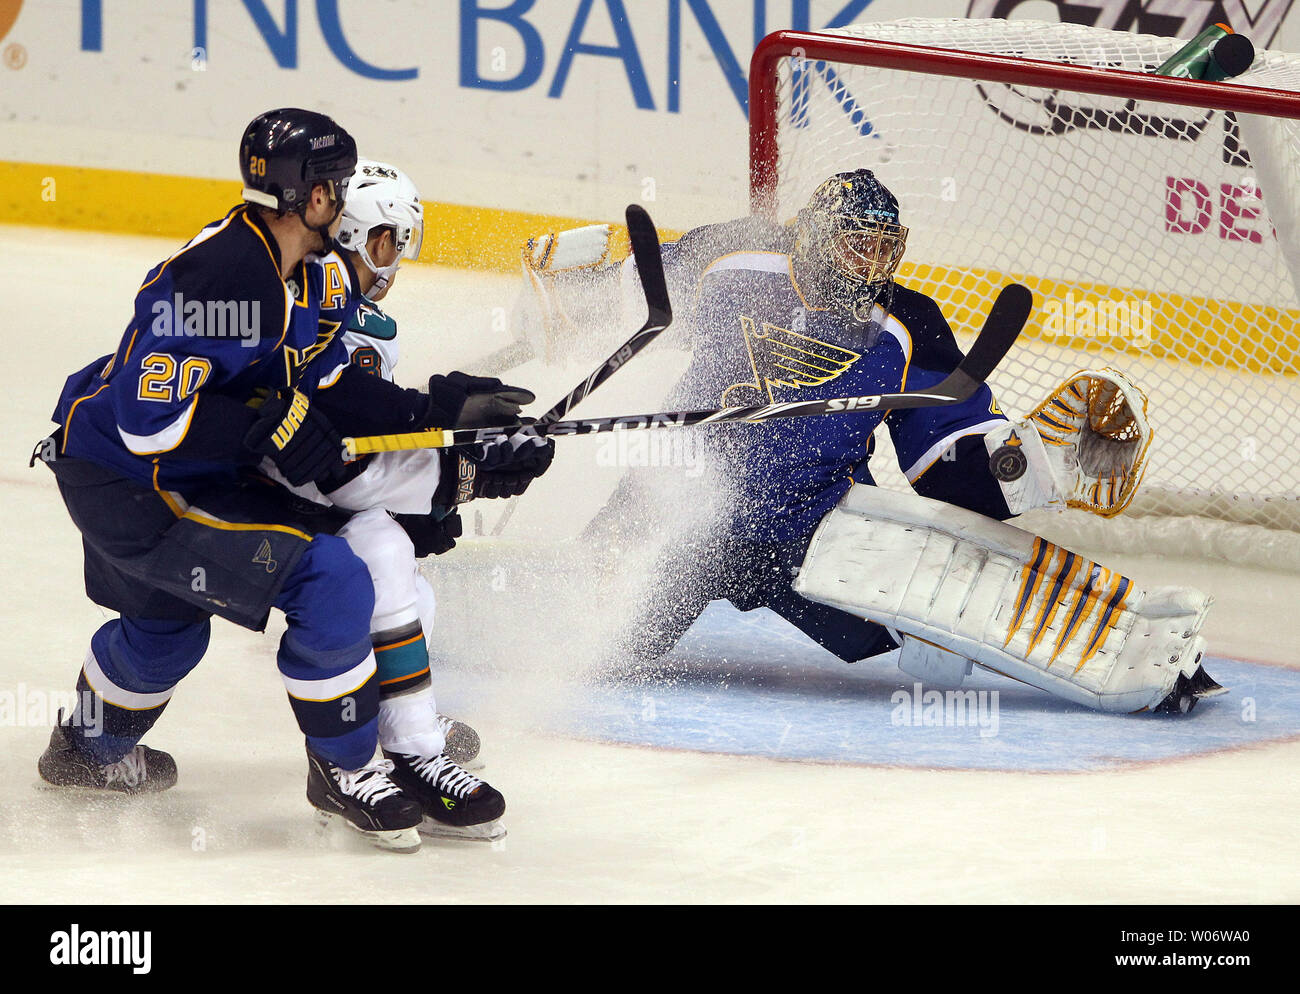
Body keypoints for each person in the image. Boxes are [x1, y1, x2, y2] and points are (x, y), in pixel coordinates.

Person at [33, 109, 542, 853]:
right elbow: (149, 423)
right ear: (310, 196)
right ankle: (343, 766)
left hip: (169, 472)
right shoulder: (219, 278)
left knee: (167, 632)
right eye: (335, 185)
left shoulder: (312, 276)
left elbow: (333, 387)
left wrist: (438, 414)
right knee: (331, 576)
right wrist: (265, 419)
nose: (341, 198)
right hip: (132, 483)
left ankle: (84, 752)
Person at [574, 169, 1220, 714]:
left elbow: (942, 465)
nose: (874, 262)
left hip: (813, 522)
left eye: (886, 247)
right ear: (815, 235)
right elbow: (632, 295)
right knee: (594, 644)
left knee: (929, 624)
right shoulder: (732, 256)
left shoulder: (909, 322)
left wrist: (1031, 466)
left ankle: (1146, 659)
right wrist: (563, 293)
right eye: (859, 244)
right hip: (673, 507)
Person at [266, 157, 553, 839]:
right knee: (388, 565)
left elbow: (368, 433)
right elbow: (338, 437)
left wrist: (451, 446)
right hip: (277, 491)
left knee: (408, 582)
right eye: (386, 240)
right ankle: (389, 745)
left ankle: (408, 732)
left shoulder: (340, 303)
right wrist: (456, 467)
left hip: (322, 486)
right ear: (356, 236)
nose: (395, 259)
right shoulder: (321, 309)